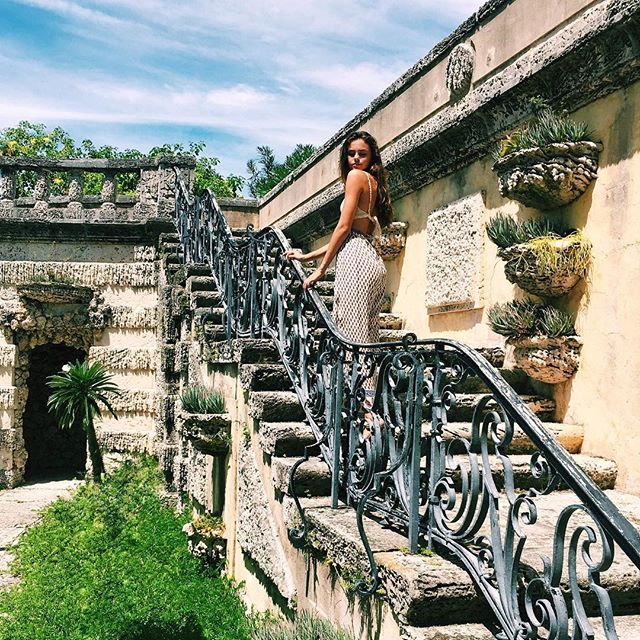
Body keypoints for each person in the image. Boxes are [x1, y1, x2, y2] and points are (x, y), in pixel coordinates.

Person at [284, 131, 393, 345]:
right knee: (366, 338)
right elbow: (347, 236)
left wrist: (320, 270)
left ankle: (354, 370)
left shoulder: (355, 177)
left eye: (362, 154)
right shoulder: (374, 183)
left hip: (356, 261)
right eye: (351, 154)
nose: (356, 158)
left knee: (351, 335)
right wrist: (306, 257)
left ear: (372, 156)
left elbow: (343, 228)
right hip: (371, 260)